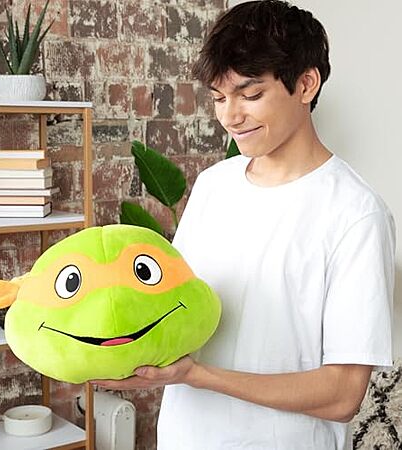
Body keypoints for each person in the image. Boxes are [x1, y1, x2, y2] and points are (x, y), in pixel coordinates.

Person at [92, 1, 396, 449]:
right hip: (184, 438)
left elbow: (342, 395)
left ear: (306, 84)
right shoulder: (214, 185)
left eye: (250, 96)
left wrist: (199, 376)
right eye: (219, 98)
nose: (230, 116)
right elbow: (173, 306)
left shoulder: (355, 213)